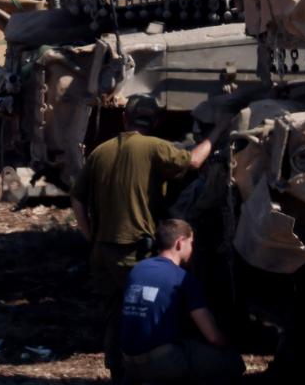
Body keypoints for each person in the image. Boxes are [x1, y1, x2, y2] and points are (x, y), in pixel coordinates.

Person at [72, 95, 222, 379]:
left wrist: (90, 235)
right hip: (134, 253)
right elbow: (193, 161)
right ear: (156, 121)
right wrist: (218, 131)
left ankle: (120, 372)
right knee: (153, 314)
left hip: (102, 252)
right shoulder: (154, 146)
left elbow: (77, 199)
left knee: (117, 314)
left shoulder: (99, 152)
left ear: (125, 118)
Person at [119, 218, 245, 384]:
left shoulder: (138, 269)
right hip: (159, 362)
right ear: (179, 243)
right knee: (233, 363)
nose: (192, 249)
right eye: (191, 243)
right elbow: (213, 337)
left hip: (128, 362)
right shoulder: (182, 278)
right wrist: (229, 345)